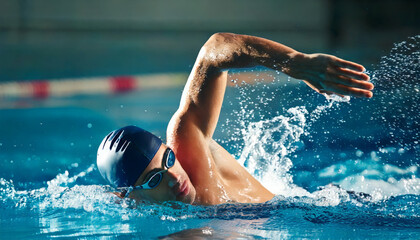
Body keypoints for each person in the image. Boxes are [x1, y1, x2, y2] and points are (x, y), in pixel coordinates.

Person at [97, 33, 373, 205]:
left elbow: (213, 51)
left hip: (334, 205)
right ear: (131, 198)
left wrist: (295, 62)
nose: (174, 177)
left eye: (168, 159)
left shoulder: (188, 144)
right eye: (154, 179)